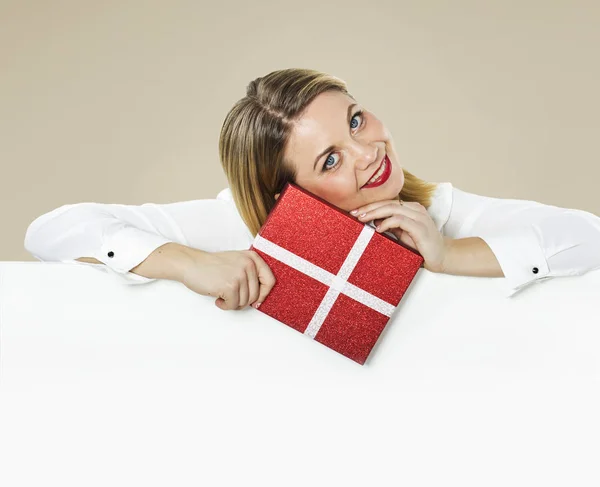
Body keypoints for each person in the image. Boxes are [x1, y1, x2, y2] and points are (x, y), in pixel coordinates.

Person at [24, 68, 600, 311]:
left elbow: (588, 238)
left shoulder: (437, 211)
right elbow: (53, 229)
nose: (369, 152)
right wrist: (184, 262)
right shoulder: (239, 227)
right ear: (285, 196)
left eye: (355, 120)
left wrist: (449, 255)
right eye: (330, 160)